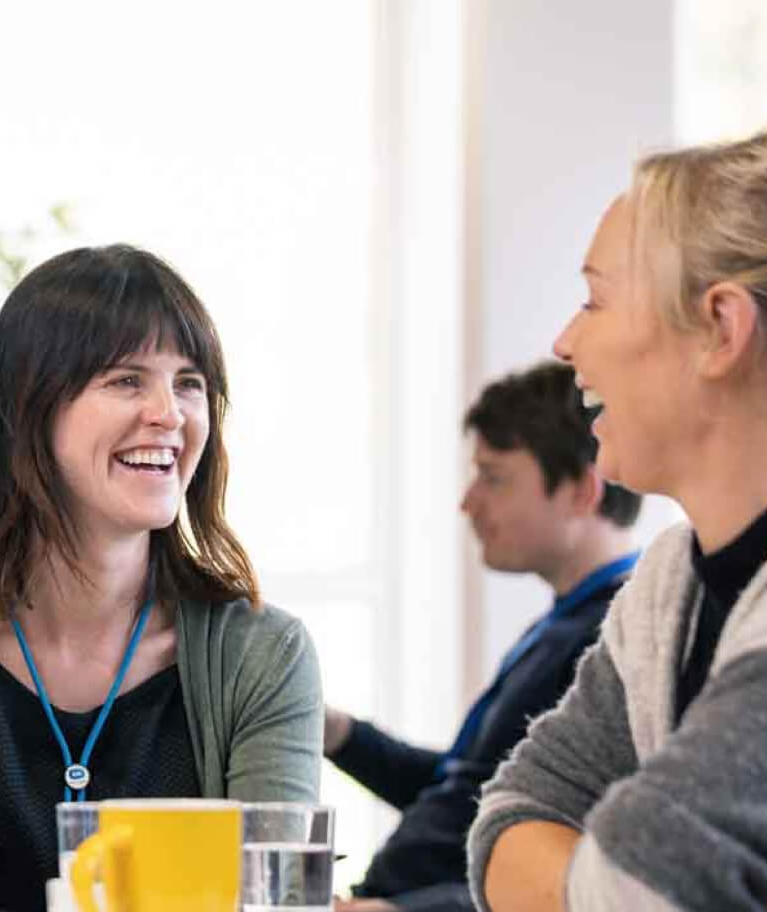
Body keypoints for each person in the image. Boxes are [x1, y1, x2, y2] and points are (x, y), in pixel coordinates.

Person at [0, 245, 323, 912]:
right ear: (29, 409)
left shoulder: (264, 653)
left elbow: (273, 907)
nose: (170, 413)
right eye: (127, 380)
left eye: (189, 382)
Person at [467, 132, 767, 912]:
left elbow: (638, 882)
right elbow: (511, 812)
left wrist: (592, 879)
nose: (566, 342)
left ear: (721, 331)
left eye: (596, 300)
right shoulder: (669, 583)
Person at [326, 361, 642, 912]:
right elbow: (467, 792)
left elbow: (577, 863)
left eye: (494, 478)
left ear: (581, 493)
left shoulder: (618, 639)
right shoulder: (563, 625)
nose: (468, 502)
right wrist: (340, 734)